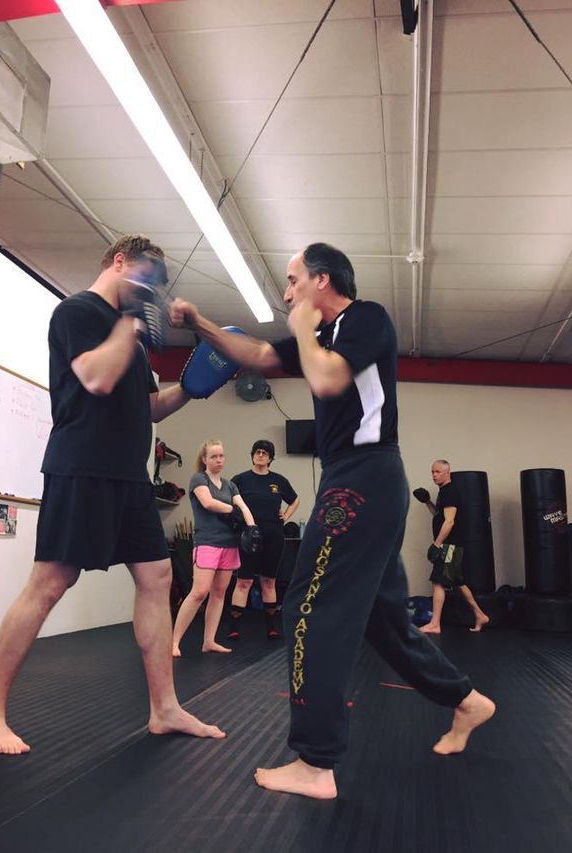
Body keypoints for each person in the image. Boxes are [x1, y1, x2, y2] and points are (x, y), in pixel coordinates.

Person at [169, 242, 495, 799]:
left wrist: (298, 326)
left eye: (294, 280)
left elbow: (326, 381)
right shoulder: (320, 337)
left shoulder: (364, 320)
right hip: (364, 481)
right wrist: (201, 324)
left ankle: (316, 764)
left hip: (361, 480)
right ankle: (466, 700)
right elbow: (256, 355)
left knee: (308, 606)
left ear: (323, 280)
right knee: (383, 619)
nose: (287, 291)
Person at [0, 234, 225, 755]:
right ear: (119, 261)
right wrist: (130, 325)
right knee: (50, 582)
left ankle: (164, 708)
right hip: (82, 467)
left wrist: (194, 389)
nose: (148, 290)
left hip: (129, 476)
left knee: (156, 575)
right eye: (144, 277)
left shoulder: (129, 336)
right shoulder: (77, 313)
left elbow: (149, 407)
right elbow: (96, 378)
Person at [172, 439, 255, 656]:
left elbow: (243, 506)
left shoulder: (230, 485)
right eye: (213, 456)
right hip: (208, 542)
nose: (218, 460)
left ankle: (209, 641)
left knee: (219, 593)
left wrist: (253, 528)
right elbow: (208, 503)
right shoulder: (199, 479)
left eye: (221, 456)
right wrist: (232, 510)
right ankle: (172, 642)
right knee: (199, 592)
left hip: (230, 544)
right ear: (204, 459)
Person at [228, 439, 299, 640]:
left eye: (265, 453)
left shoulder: (279, 481)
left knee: (269, 581)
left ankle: (271, 627)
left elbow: (295, 500)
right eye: (257, 452)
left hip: (274, 536)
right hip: (248, 537)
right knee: (244, 581)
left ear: (270, 458)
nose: (260, 455)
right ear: (252, 455)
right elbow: (230, 503)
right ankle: (234, 627)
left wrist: (286, 515)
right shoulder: (240, 480)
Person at [415, 460, 490, 634]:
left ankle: (435, 624)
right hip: (450, 545)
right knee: (458, 582)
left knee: (438, 581)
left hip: (450, 545)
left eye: (438, 471)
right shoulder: (444, 492)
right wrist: (427, 502)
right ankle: (480, 615)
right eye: (432, 471)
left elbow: (450, 521)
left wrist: (437, 544)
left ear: (448, 472)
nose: (434, 475)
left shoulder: (450, 492)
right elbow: (439, 516)